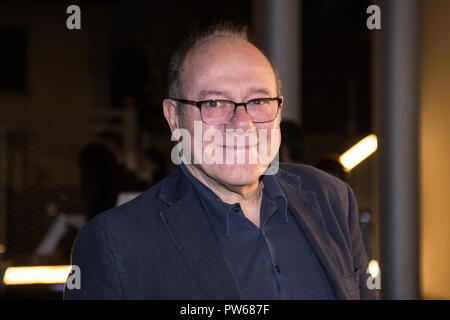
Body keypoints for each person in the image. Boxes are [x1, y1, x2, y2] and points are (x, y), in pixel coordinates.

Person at [64, 24, 376, 300]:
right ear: (174, 117)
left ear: (278, 111)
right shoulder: (115, 244)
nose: (242, 124)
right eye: (214, 103)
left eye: (258, 101)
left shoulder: (331, 199)